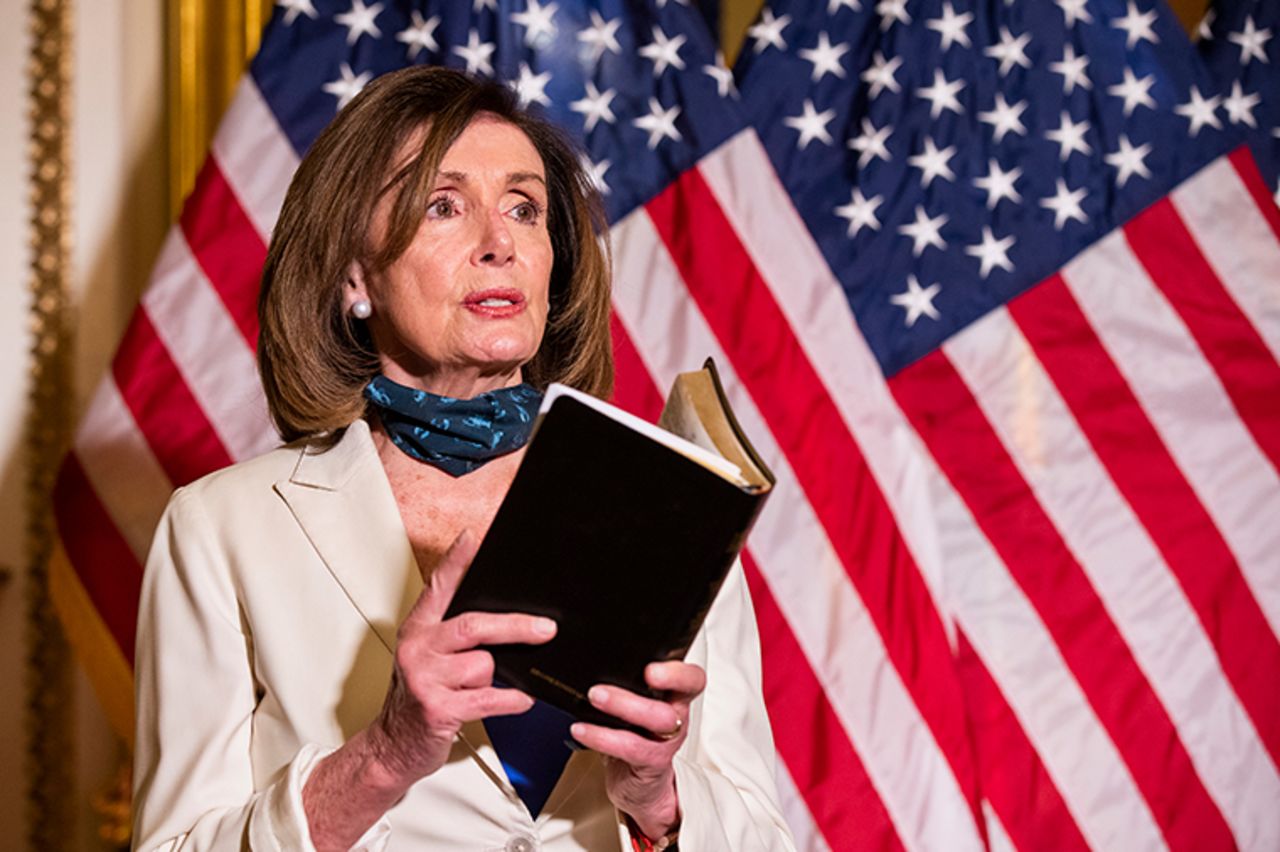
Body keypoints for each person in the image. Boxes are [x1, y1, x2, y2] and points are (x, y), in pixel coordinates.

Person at [132, 66, 796, 852]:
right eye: (442, 206)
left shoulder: (667, 502)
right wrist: (383, 757)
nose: (499, 243)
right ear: (355, 275)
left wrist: (658, 797)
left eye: (525, 207)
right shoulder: (219, 528)